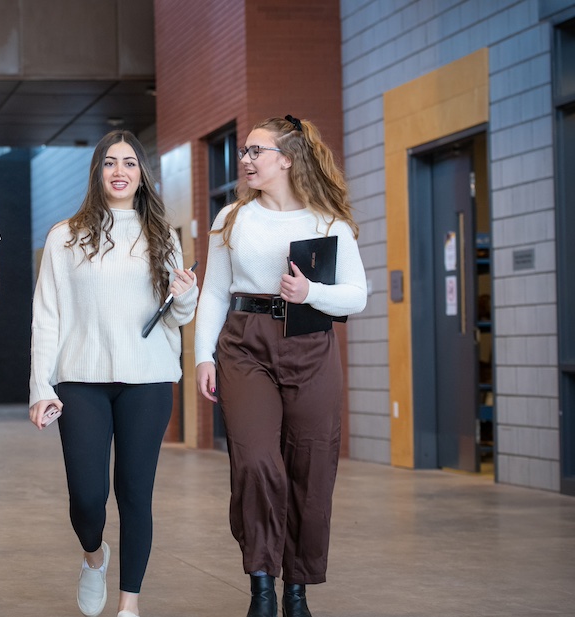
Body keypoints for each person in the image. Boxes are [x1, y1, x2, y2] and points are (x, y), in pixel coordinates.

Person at [194, 115, 367, 617]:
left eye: (255, 151)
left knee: (311, 468)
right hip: (246, 344)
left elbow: (356, 296)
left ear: (287, 160)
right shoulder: (231, 218)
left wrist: (311, 292)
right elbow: (212, 294)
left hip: (311, 345)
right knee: (255, 462)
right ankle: (262, 585)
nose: (245, 159)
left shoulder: (327, 222)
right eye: (244, 151)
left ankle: (297, 591)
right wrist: (204, 355)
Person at [29, 130, 198, 617]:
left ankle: (129, 605)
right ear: (97, 172)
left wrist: (184, 295)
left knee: (135, 492)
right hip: (80, 378)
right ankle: (94, 556)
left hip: (146, 377)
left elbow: (174, 314)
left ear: (141, 173)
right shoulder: (65, 236)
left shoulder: (162, 235)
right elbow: (47, 316)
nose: (119, 171)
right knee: (87, 496)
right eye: (109, 162)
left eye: (129, 162)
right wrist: (41, 386)